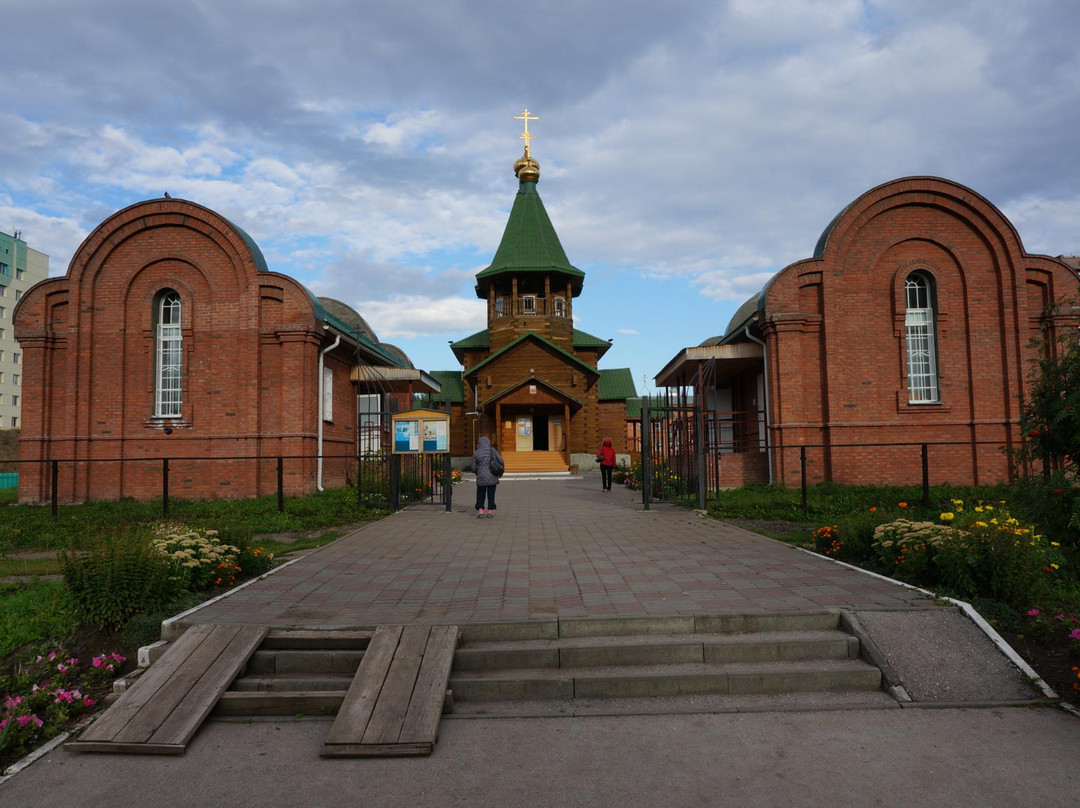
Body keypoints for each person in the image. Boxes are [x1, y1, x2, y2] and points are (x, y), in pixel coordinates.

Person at [472, 435, 503, 518]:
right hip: (492, 476)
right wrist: (500, 471)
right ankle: (490, 512)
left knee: (480, 495)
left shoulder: (476, 453)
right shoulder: (493, 450)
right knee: (491, 495)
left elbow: (473, 467)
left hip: (481, 477)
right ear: (489, 443)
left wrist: (477, 472)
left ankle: (480, 512)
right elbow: (501, 460)